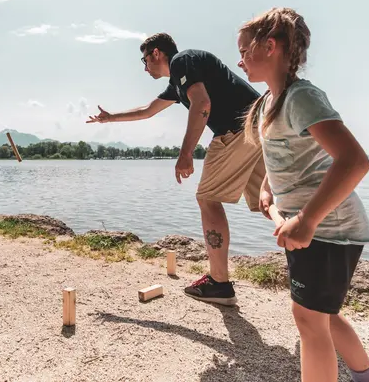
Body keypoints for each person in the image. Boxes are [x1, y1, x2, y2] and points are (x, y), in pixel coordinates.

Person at [237, 7, 369, 382]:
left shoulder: (301, 97)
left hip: (328, 227)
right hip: (312, 229)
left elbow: (354, 161)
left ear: (270, 46)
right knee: (323, 315)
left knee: (308, 320)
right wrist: (269, 187)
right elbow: (286, 153)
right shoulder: (266, 103)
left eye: (243, 50)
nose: (239, 61)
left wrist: (306, 219)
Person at [87, 33, 266, 305]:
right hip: (263, 127)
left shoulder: (183, 61)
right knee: (272, 203)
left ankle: (219, 284)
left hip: (237, 129)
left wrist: (185, 154)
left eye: (144, 60)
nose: (144, 67)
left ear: (156, 53)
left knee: (208, 199)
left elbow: (202, 104)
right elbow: (148, 110)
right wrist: (111, 118)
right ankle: (317, 266)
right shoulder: (179, 79)